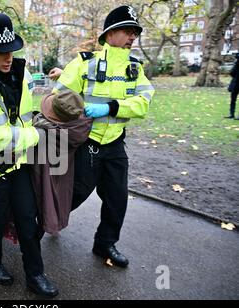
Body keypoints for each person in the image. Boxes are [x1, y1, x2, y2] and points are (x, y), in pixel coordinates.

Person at [0, 13, 58, 297]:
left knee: (28, 220)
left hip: (17, 164)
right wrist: (38, 135)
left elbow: (28, 112)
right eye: (1, 52)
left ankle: (35, 275)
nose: (8, 57)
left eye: (12, 50)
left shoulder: (23, 73)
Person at [54, 5, 155, 268]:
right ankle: (42, 225)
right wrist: (79, 111)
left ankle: (105, 244)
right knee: (74, 196)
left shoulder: (135, 68)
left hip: (115, 144)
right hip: (87, 143)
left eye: (135, 32)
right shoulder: (85, 63)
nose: (132, 37)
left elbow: (143, 103)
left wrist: (110, 107)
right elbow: (59, 97)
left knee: (117, 198)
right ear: (110, 34)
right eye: (127, 31)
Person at [31, 90, 92, 235]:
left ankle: (35, 238)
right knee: (56, 200)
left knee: (40, 201)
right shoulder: (80, 127)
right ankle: (51, 224)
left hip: (40, 172)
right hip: (64, 172)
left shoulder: (44, 128)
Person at [226, 53, 239, 119]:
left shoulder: (237, 62)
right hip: (236, 82)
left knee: (233, 99)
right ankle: (232, 114)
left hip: (236, 82)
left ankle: (232, 114)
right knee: (233, 99)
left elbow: (232, 72)